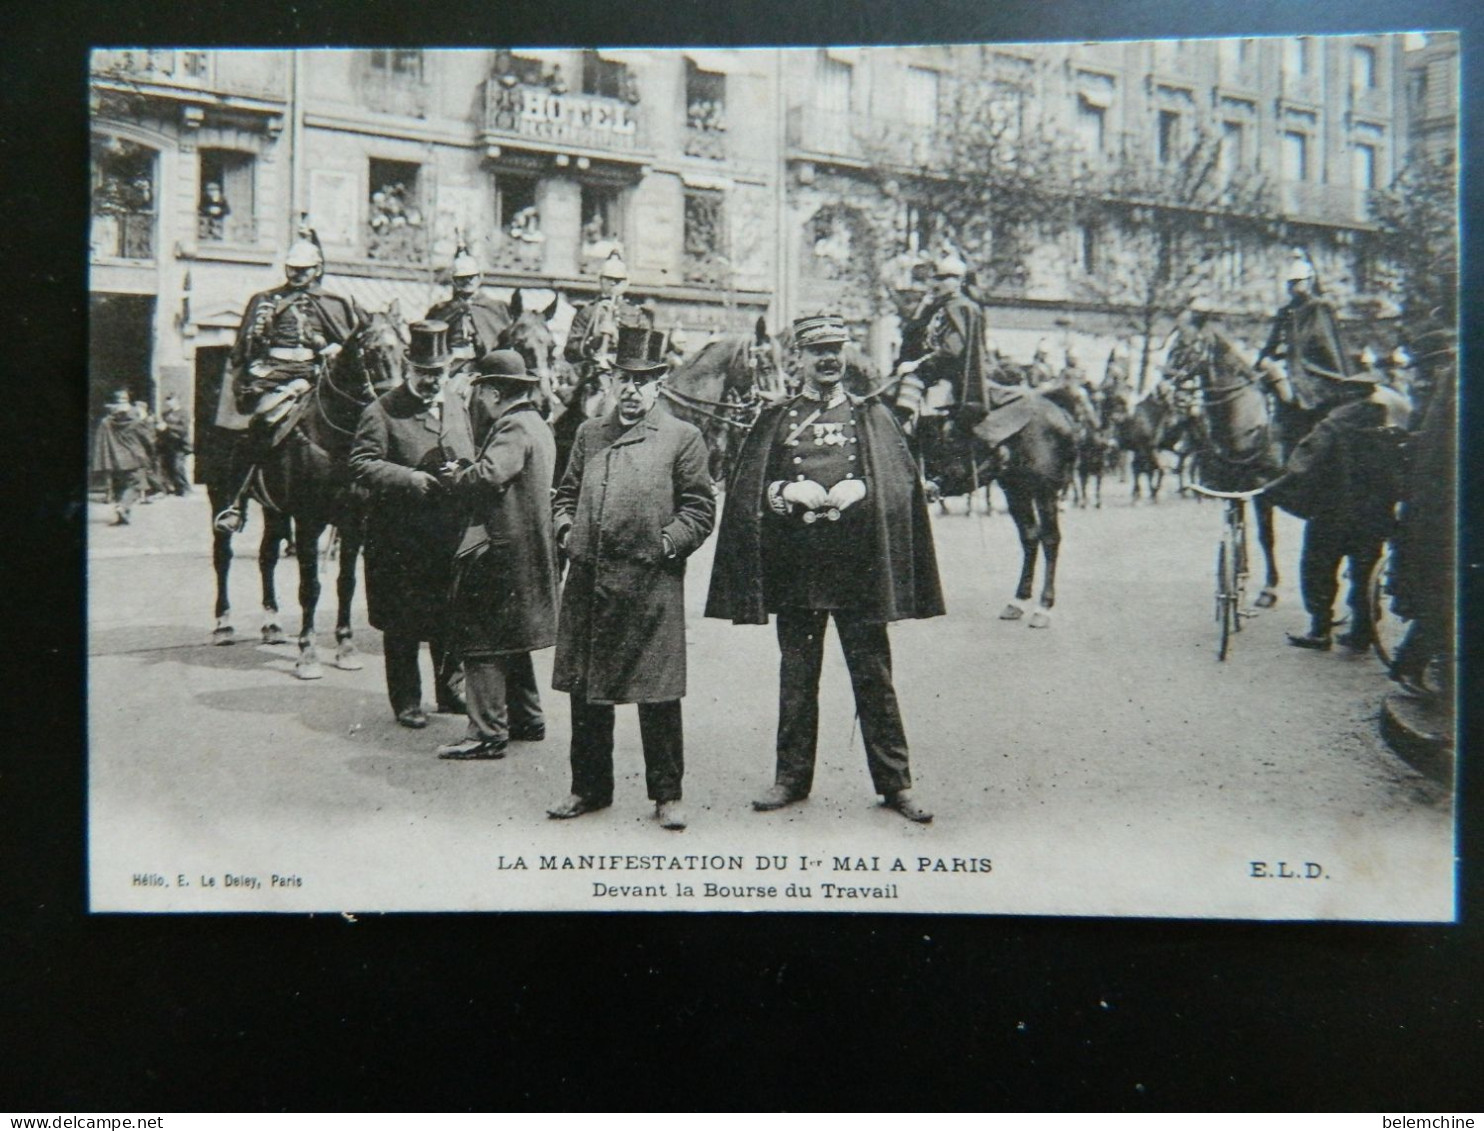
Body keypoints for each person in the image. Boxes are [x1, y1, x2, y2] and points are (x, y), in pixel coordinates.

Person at [707, 313, 945, 823]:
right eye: (818, 350)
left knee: (874, 678)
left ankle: (896, 783)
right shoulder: (777, 417)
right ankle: (791, 779)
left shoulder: (870, 415)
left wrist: (865, 487)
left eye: (836, 348)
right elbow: (748, 491)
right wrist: (783, 491)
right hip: (799, 572)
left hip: (859, 572)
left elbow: (902, 484)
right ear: (799, 358)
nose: (829, 358)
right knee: (797, 678)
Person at [547, 324, 716, 829]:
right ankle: (589, 788)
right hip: (590, 581)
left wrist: (666, 543)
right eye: (625, 378)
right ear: (613, 380)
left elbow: (700, 509)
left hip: (651, 584)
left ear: (660, 383)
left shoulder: (682, 438)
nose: (633, 389)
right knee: (587, 693)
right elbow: (564, 495)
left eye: (644, 380)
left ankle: (667, 795)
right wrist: (563, 532)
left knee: (657, 693)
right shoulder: (589, 432)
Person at [434, 350, 558, 761]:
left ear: (491, 391)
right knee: (513, 641)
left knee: (482, 642)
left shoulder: (512, 427)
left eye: (479, 390)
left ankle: (486, 733)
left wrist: (458, 476)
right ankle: (528, 718)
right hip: (527, 552)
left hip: (499, 555)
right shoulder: (536, 424)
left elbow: (489, 475)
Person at [349, 321, 467, 729]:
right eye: (424, 374)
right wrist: (408, 478)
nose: (432, 381)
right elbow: (361, 463)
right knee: (402, 623)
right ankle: (407, 701)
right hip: (397, 537)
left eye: (439, 373)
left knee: (447, 618)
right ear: (407, 368)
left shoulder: (456, 405)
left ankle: (450, 693)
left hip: (446, 534)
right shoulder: (381, 410)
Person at [214, 226, 362, 532]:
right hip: (274, 377)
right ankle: (237, 499)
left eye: (304, 270)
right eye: (293, 269)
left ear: (317, 269)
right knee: (263, 421)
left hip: (315, 375)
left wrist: (333, 349)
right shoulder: (265, 300)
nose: (297, 275)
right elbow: (246, 346)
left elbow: (349, 345)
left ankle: (357, 495)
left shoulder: (333, 302)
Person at [1267, 367, 1412, 651]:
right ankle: (1363, 630)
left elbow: (1303, 462)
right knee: (1364, 572)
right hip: (1374, 516)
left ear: (1346, 395)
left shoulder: (1331, 426)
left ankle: (1320, 630)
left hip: (1332, 514)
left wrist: (1274, 488)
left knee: (1318, 568)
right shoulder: (1390, 427)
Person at [1255, 249, 1352, 447]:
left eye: (1299, 281)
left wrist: (1294, 365)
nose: (1295, 287)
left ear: (1310, 281)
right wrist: (1264, 360)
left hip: (1313, 373)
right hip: (1286, 371)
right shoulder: (1285, 311)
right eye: (1291, 283)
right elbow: (1272, 343)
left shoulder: (1320, 307)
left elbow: (1324, 346)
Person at [892, 251, 987, 424]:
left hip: (952, 373)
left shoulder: (964, 307)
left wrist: (916, 364)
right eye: (937, 278)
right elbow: (912, 335)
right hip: (930, 369)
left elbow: (953, 349)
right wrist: (923, 306)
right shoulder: (937, 306)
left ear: (960, 281)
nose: (939, 283)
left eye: (945, 278)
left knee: (922, 409)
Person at [564, 250, 646, 377]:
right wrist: (594, 339)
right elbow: (571, 351)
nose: (613, 283)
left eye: (618, 280)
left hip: (626, 374)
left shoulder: (636, 314)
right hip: (592, 372)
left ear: (626, 282)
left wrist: (617, 336)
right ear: (600, 280)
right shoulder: (587, 312)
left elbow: (644, 351)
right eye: (608, 279)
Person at [426, 243, 507, 368]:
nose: (467, 281)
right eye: (462, 278)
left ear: (480, 277)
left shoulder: (496, 308)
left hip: (488, 364)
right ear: (454, 280)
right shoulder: (441, 310)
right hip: (451, 364)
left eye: (471, 277)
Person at [93, 390, 155, 525]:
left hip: (115, 459)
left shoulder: (106, 421)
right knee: (137, 485)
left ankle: (122, 517)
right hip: (134, 457)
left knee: (121, 487)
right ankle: (123, 507)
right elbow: (148, 438)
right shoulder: (135, 420)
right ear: (128, 400)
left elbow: (101, 441)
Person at [156, 393, 192, 496]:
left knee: (178, 466)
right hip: (168, 444)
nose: (169, 403)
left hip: (179, 444)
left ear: (177, 401)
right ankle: (175, 488)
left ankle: (185, 488)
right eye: (167, 400)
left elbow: (183, 429)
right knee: (168, 467)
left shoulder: (183, 413)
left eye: (171, 400)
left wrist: (167, 427)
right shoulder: (165, 414)